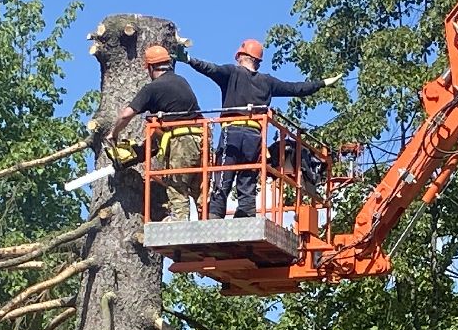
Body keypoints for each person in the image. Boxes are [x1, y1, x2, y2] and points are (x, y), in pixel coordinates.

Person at [180, 39, 341, 218]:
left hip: (231, 133)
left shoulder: (232, 73)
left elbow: (210, 68)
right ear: (257, 60)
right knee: (247, 181)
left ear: (241, 56)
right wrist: (322, 83)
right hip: (254, 136)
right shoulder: (267, 82)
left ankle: (215, 219)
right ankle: (245, 219)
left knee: (223, 179)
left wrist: (188, 59)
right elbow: (297, 88)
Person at [105, 44, 203, 222]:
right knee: (196, 185)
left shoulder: (153, 88)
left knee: (176, 184)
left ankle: (179, 223)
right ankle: (201, 218)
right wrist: (142, 152)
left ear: (150, 67)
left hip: (180, 141)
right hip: (199, 139)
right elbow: (165, 128)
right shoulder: (182, 81)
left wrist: (114, 133)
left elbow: (127, 114)